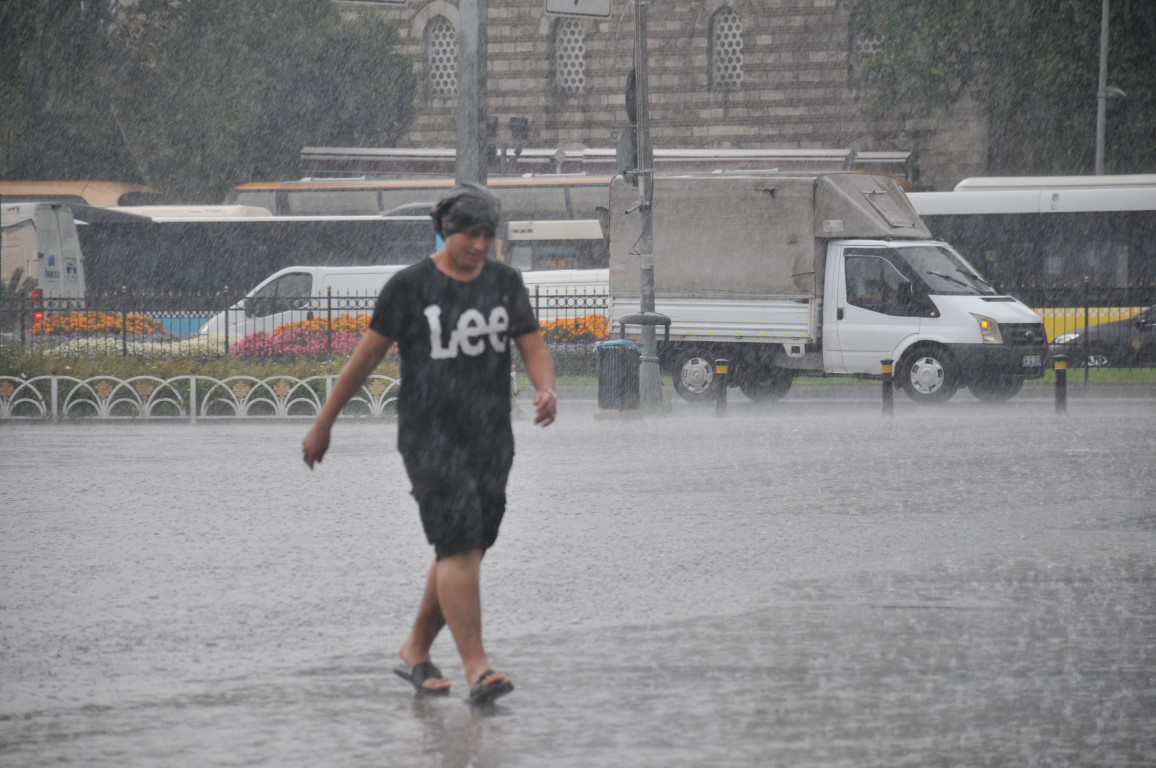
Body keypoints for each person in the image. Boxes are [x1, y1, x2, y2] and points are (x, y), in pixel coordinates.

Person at [302, 183, 556, 706]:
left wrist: (545, 388)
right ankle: (478, 669)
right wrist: (324, 423)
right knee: (459, 545)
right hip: (429, 439)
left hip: (490, 438)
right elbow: (363, 361)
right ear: (445, 230)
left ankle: (416, 646)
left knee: (465, 549)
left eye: (489, 235)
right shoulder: (409, 287)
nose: (482, 246)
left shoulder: (506, 283)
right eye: (472, 235)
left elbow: (532, 343)